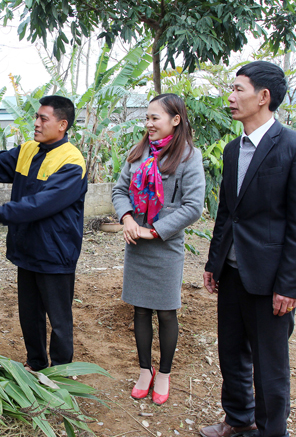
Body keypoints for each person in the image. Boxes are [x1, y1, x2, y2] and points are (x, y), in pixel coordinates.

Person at [200, 61, 296, 437]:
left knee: (270, 367)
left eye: (238, 89)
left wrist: (289, 285)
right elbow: (227, 213)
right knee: (231, 353)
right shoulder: (234, 149)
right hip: (233, 273)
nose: (231, 97)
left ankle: (271, 432)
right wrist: (213, 262)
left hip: (270, 280)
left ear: (263, 97)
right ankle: (239, 420)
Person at [0, 95, 87, 371]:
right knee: (30, 314)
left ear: (62, 125)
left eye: (43, 119)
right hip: (27, 250)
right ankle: (36, 364)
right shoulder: (29, 150)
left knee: (59, 319)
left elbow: (40, 205)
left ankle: (62, 372)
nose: (36, 123)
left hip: (55, 253)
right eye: (36, 117)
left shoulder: (72, 163)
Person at [112, 93, 205, 405]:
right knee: (140, 309)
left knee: (166, 311)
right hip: (136, 241)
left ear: (175, 120)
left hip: (165, 245)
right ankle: (144, 370)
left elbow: (193, 207)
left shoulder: (190, 156)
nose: (149, 123)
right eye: (147, 118)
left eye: (155, 118)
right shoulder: (138, 152)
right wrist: (127, 218)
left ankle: (163, 373)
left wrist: (155, 231)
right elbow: (120, 189)